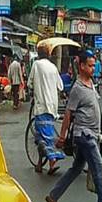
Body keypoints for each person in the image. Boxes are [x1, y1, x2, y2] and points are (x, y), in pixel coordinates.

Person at [44, 51, 102, 202]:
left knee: (76, 168)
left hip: (92, 133)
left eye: (93, 65)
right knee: (98, 166)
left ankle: (53, 196)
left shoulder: (90, 83)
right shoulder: (77, 88)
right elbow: (69, 114)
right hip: (84, 135)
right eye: (90, 66)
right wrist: (62, 137)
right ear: (82, 66)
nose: (93, 69)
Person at [29, 44, 66, 174]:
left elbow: (30, 83)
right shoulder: (53, 67)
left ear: (38, 55)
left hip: (41, 105)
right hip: (52, 105)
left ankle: (53, 158)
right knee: (43, 135)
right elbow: (60, 86)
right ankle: (41, 164)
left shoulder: (36, 65)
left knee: (44, 137)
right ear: (49, 55)